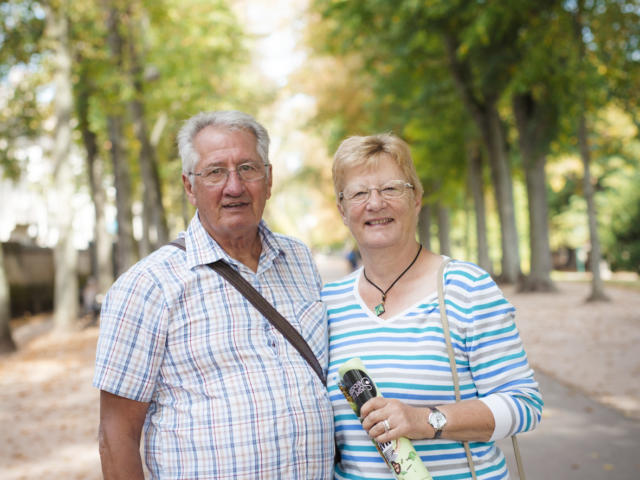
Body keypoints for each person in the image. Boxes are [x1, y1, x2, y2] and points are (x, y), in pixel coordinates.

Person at [93, 111, 334, 479]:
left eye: (248, 168)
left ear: (268, 180)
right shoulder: (147, 287)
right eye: (215, 171)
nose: (234, 186)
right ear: (190, 187)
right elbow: (116, 435)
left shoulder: (299, 260)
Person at [322, 133, 543, 479]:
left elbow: (524, 405)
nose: (375, 203)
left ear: (418, 199)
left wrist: (424, 420)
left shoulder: (465, 289)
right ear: (342, 210)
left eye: (391, 188)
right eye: (359, 193)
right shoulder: (327, 304)